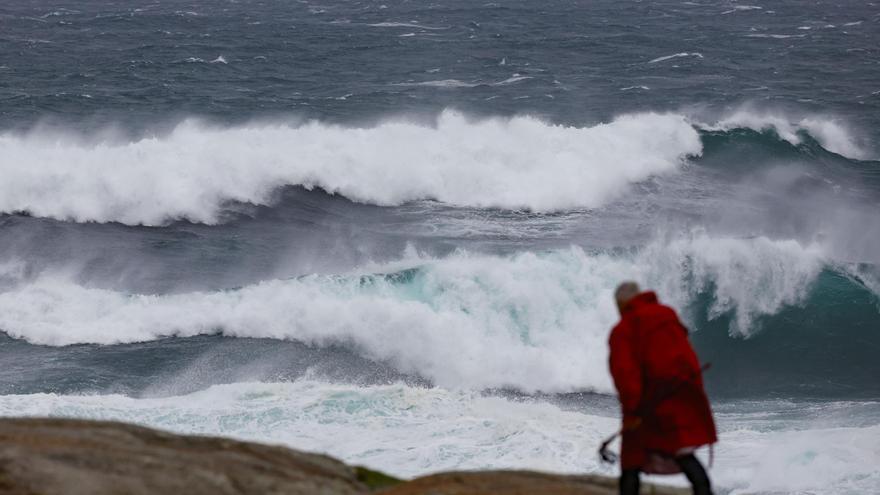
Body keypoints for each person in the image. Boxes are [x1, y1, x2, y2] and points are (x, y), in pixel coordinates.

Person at [608, 282, 717, 495]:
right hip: (681, 392)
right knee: (681, 451)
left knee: (631, 461)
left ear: (622, 304)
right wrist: (694, 392)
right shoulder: (667, 315)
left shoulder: (624, 329)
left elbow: (625, 374)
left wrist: (632, 411)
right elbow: (687, 356)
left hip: (648, 401)